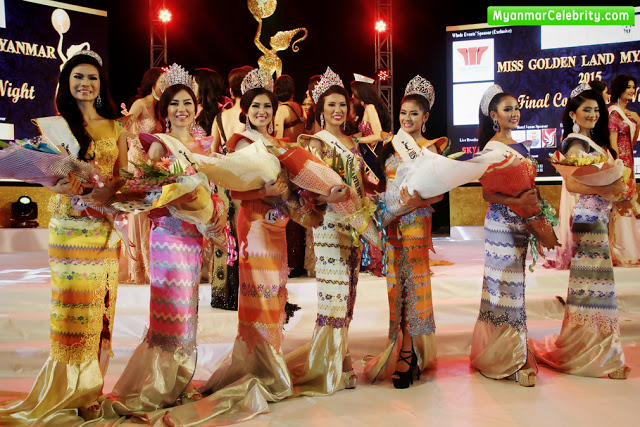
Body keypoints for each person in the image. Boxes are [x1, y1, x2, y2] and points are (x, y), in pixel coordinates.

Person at [0, 50, 128, 424]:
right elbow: (48, 180)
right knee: (72, 308)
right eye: (78, 78)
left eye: (91, 78)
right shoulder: (56, 127)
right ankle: (67, 383)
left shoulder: (116, 127)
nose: (85, 84)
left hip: (104, 226)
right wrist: (65, 187)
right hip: (69, 228)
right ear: (66, 84)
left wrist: (106, 192)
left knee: (101, 308)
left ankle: (91, 389)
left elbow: (122, 175)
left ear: (100, 84)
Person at [103, 64, 223, 416]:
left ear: (196, 106)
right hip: (168, 237)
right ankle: (161, 382)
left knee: (189, 311)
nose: (181, 109)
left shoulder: (204, 144)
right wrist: (170, 200)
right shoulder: (157, 145)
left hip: (193, 235)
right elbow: (148, 192)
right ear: (165, 109)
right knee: (169, 311)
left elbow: (212, 190)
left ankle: (181, 379)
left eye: (187, 102)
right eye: (174, 104)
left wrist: (211, 214)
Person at [531, 85, 630, 379]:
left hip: (598, 216)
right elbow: (573, 185)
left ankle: (596, 349)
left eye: (597, 110)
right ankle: (597, 355)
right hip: (588, 218)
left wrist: (617, 193)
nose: (593, 115)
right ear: (573, 113)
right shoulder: (575, 144)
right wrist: (609, 188)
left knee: (596, 288)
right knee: (594, 288)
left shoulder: (593, 143)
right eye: (586, 109)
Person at [287, 67, 370, 395]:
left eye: (342, 105)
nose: (338, 110)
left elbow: (360, 184)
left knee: (349, 294)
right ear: (320, 110)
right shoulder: (316, 143)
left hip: (355, 226)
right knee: (333, 295)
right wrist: (327, 196)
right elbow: (306, 191)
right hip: (329, 226)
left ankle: (342, 352)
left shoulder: (353, 142)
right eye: (331, 105)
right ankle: (332, 362)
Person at [363, 76, 441, 388]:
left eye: (414, 114)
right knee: (397, 287)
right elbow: (382, 185)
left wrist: (416, 200)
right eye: (403, 113)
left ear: (426, 117)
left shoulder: (431, 149)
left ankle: (408, 355)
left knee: (413, 286)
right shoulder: (390, 146)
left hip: (416, 223)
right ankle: (402, 348)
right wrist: (369, 193)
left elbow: (439, 193)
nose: (407, 119)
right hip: (392, 224)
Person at [468, 84, 540, 387]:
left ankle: (511, 350)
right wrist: (516, 203)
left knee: (516, 286)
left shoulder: (519, 146)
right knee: (504, 286)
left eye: (516, 108)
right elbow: (487, 192)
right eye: (507, 109)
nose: (514, 113)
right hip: (501, 223)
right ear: (494, 116)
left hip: (521, 223)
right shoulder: (491, 148)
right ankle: (509, 357)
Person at [209, 66, 252, 310]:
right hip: (244, 180)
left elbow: (214, 152)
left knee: (225, 236)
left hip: (223, 180)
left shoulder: (220, 116)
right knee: (244, 234)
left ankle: (222, 294)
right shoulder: (250, 115)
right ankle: (244, 293)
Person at [120, 67, 164, 285]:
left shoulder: (158, 109)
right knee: (137, 212)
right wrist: (137, 142)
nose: (164, 86)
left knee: (149, 212)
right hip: (136, 161)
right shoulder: (139, 104)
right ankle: (138, 267)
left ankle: (151, 264)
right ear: (152, 82)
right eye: (162, 81)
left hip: (151, 164)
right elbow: (123, 128)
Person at [274, 75, 307, 278]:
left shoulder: (280, 110)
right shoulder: (300, 108)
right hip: (300, 160)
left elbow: (278, 139)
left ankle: (291, 261)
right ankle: (299, 259)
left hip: (286, 161)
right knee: (299, 206)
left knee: (287, 208)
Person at [608, 74, 640, 266]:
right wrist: (618, 167)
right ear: (620, 88)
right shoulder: (613, 112)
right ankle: (620, 250)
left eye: (633, 87)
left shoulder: (628, 113)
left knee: (629, 203)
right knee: (620, 205)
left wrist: (638, 121)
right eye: (628, 87)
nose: (631, 90)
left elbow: (631, 142)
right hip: (621, 164)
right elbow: (614, 143)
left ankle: (630, 249)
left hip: (630, 162)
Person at [350, 76, 392, 181]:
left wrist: (356, 140)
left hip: (373, 154)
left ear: (361, 93)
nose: (352, 96)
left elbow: (379, 135)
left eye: (354, 93)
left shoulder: (370, 108)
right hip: (366, 154)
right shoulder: (364, 110)